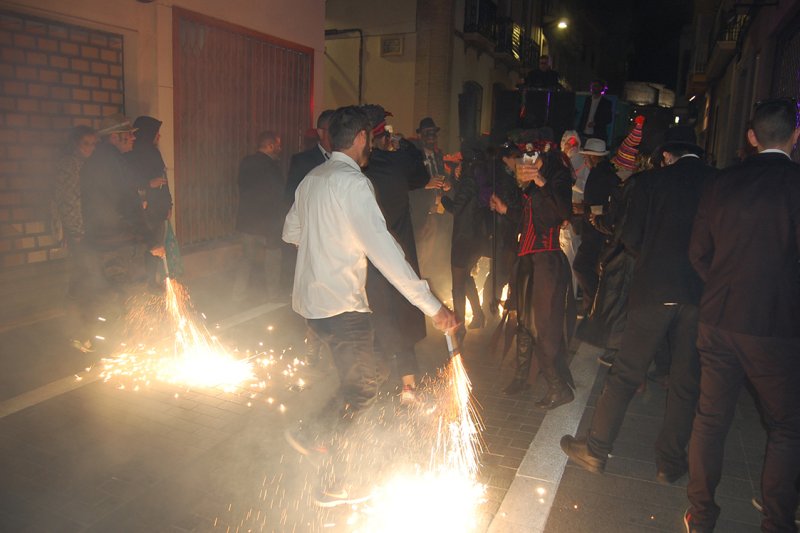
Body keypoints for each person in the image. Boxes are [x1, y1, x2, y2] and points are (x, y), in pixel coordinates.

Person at [282, 106, 457, 506]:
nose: (373, 146)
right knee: (362, 389)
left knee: (367, 376)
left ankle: (321, 448)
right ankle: (327, 469)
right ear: (361, 137)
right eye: (372, 139)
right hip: (342, 307)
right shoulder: (354, 183)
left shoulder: (313, 178)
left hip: (314, 306)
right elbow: (386, 254)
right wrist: (432, 306)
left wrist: (326, 238)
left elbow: (291, 231)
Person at [560, 125, 715, 489]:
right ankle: (669, 463)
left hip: (653, 290)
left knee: (627, 372)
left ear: (667, 155)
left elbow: (629, 238)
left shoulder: (649, 182)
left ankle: (597, 450)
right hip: (699, 292)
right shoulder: (718, 182)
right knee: (685, 381)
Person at [684, 97, 800, 533]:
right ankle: (777, 522)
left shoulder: (721, 183)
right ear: (795, 136)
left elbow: (698, 252)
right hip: (774, 324)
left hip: (718, 318)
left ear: (751, 137)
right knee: (786, 426)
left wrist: (721, 283)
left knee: (711, 419)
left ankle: (701, 515)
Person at [490, 145, 575, 409]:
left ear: (542, 157)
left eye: (531, 157)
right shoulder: (531, 187)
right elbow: (528, 220)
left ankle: (558, 387)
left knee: (543, 326)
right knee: (524, 322)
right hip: (527, 260)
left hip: (547, 261)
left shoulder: (557, 179)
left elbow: (563, 213)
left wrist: (541, 182)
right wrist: (505, 210)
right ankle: (521, 378)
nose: (526, 162)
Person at [360, 104, 431, 403]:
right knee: (400, 317)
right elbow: (421, 175)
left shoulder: (354, 172)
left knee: (373, 319)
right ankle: (408, 386)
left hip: (364, 260)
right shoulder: (395, 163)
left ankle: (369, 384)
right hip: (397, 253)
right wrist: (405, 147)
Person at [80, 114, 164, 350]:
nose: (133, 139)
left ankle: (98, 339)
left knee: (107, 291)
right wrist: (151, 240)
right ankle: (122, 345)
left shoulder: (96, 161)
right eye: (128, 135)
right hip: (117, 241)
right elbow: (128, 205)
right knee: (127, 292)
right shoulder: (113, 163)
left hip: (101, 240)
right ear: (114, 137)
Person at [54, 125, 97, 352]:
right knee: (82, 280)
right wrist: (78, 232)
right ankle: (76, 331)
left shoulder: (86, 165)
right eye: (85, 144)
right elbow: (70, 201)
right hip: (79, 233)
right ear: (75, 144)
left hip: (88, 231)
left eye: (93, 144)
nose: (90, 148)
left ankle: (82, 330)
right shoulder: (70, 166)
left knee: (86, 279)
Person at [441, 141, 490, 341]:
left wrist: (443, 199)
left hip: (464, 237)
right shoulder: (479, 177)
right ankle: (478, 315)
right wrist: (454, 181)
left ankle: (459, 327)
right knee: (466, 276)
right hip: (476, 237)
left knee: (458, 284)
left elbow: (456, 207)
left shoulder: (469, 179)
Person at [232, 131, 284, 303]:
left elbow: (241, 186)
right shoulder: (272, 166)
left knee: (246, 258)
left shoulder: (246, 162)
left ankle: (238, 294)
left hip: (247, 220)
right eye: (277, 145)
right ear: (270, 145)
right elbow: (278, 194)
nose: (280, 149)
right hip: (268, 222)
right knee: (273, 258)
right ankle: (273, 294)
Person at [572, 138, 617, 316]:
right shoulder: (603, 173)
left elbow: (606, 205)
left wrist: (585, 209)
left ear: (592, 157)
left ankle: (592, 305)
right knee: (588, 267)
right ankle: (591, 305)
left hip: (596, 230)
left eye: (586, 156)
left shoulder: (601, 175)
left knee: (582, 266)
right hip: (596, 229)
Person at [126, 116, 172, 287]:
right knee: (145, 246)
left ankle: (152, 282)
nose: (158, 136)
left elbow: (164, 180)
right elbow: (128, 183)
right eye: (156, 133)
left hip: (158, 211)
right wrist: (148, 184)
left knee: (157, 247)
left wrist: (169, 204)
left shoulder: (154, 153)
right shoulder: (131, 155)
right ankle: (141, 284)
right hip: (143, 212)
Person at [409, 117, 450, 296]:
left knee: (435, 253)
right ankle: (417, 291)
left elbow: (442, 178)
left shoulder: (438, 156)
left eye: (433, 133)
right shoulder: (414, 158)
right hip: (420, 213)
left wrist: (447, 184)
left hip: (438, 213)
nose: (431, 137)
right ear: (420, 136)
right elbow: (409, 182)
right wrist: (426, 184)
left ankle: (434, 290)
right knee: (420, 254)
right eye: (427, 133)